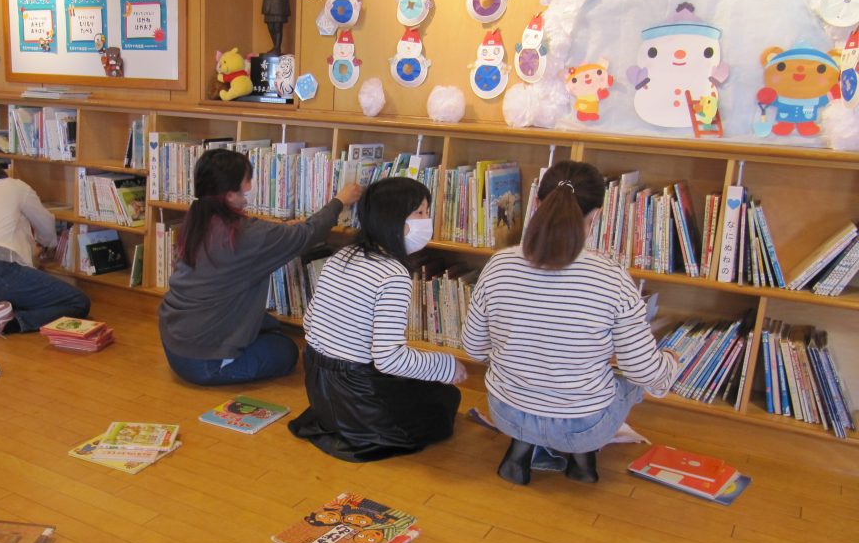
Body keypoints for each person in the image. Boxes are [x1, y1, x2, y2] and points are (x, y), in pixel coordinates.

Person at [461, 160, 679, 485]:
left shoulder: (499, 264)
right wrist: (671, 364)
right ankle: (581, 460)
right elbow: (643, 371)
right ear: (597, 215)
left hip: (507, 413)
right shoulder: (612, 278)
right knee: (630, 377)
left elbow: (473, 347)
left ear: (537, 203)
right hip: (585, 427)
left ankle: (520, 452)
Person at [288, 177, 467, 462]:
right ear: (393, 220)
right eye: (420, 213)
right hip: (357, 394)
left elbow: (310, 322)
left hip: (318, 383)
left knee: (427, 389)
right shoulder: (393, 275)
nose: (427, 220)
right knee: (446, 398)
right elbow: (389, 360)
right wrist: (447, 365)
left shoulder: (343, 255)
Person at [158, 148, 362, 385]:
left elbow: (252, 239)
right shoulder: (247, 235)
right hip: (205, 362)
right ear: (230, 194)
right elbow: (308, 234)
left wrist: (282, 231)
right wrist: (340, 201)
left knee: (267, 325)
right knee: (286, 351)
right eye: (247, 180)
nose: (250, 186)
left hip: (174, 341)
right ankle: (227, 364)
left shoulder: (198, 216)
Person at [0, 163, 90, 336]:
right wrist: (47, 245)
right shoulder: (16, 186)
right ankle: (6, 324)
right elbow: (46, 225)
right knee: (78, 302)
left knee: (3, 291)